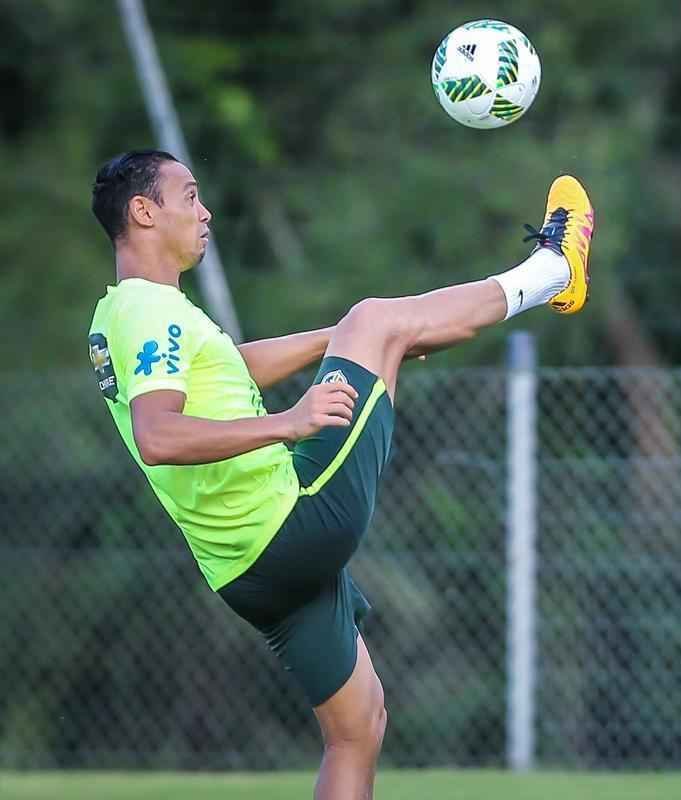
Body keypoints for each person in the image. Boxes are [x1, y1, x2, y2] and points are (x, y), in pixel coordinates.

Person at [86, 150, 595, 800]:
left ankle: (422, 317)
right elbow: (158, 436)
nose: (204, 211)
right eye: (189, 196)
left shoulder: (128, 312)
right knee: (377, 319)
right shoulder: (146, 312)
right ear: (143, 211)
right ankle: (552, 272)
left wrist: (351, 339)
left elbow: (224, 367)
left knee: (358, 728)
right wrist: (291, 420)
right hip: (288, 526)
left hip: (244, 572)